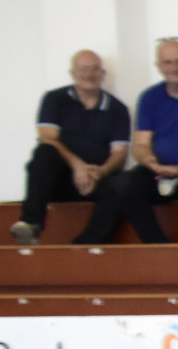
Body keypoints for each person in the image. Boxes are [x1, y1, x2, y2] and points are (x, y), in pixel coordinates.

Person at [86, 39, 178, 244]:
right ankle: (156, 245)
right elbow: (140, 145)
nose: (174, 68)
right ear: (159, 66)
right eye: (168, 62)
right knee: (122, 183)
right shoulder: (149, 97)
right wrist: (153, 164)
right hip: (159, 174)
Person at [12, 50, 129, 244]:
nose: (89, 74)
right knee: (44, 152)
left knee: (123, 184)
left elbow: (120, 154)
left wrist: (100, 172)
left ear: (103, 73)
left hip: (96, 179)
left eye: (94, 69)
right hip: (60, 179)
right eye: (83, 69)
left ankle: (85, 245)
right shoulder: (54, 99)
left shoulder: (118, 109)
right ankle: (31, 224)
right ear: (72, 73)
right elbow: (47, 138)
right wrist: (77, 166)